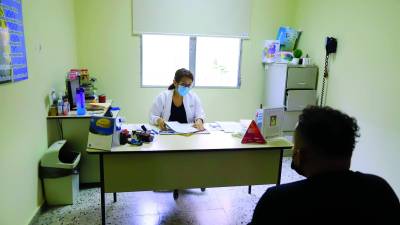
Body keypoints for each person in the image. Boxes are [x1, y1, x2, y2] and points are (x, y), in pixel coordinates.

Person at [249, 106, 400, 225]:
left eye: (295, 146)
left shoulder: (277, 202)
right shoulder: (379, 190)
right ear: (349, 151)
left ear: (300, 155)